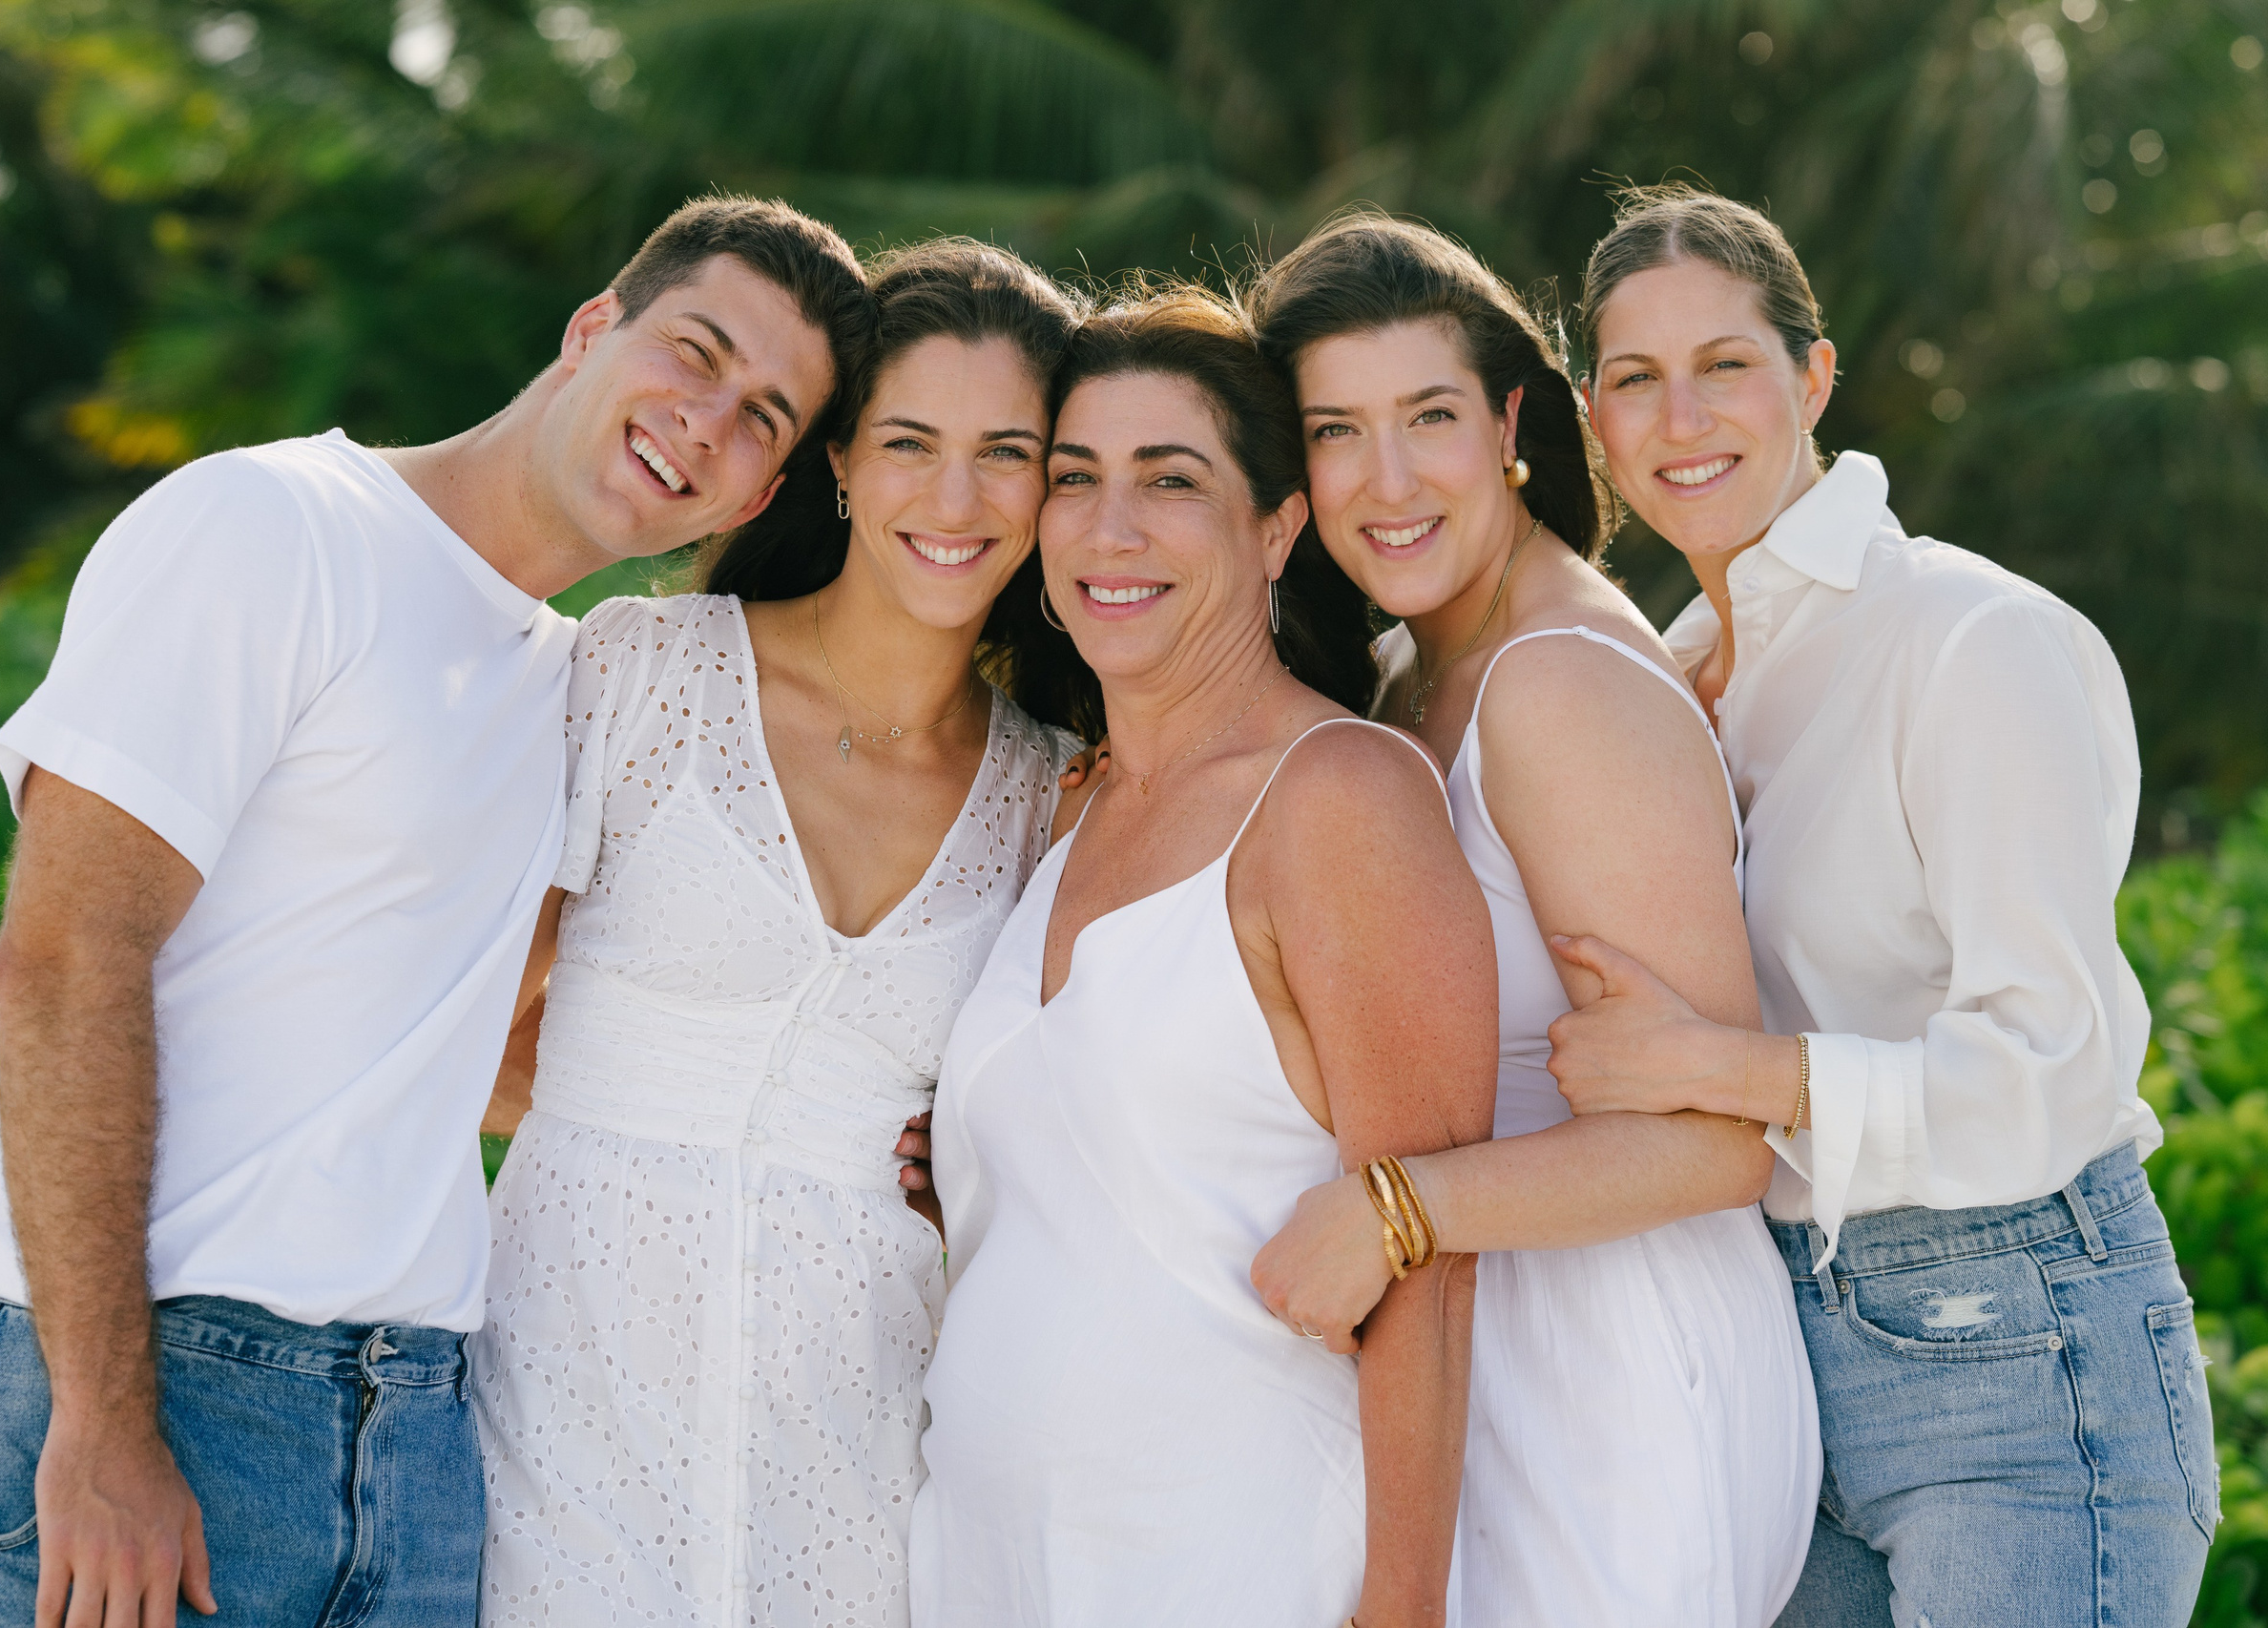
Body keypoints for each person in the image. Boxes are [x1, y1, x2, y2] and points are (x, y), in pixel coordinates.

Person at [0, 197, 872, 1628]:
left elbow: (497, 1059)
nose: (709, 421)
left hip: (417, 1437)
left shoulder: (580, 685)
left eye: (765, 416)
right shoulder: (276, 527)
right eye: (695, 352)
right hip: (141, 1384)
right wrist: (99, 1425)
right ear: (594, 328)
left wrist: (884, 1142)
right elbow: (65, 954)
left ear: (756, 495)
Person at [1547, 185, 2213, 1625]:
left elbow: (2055, 1068)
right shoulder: (1657, 676)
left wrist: (1712, 1073)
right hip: (1767, 1358)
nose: (1682, 419)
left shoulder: (1970, 639)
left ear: (1815, 376)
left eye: (1725, 364)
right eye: (1634, 381)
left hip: (2015, 1352)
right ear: (1592, 419)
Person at [468, 238, 1089, 1627]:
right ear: (842, 463)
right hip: (558, 1427)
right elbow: (460, 1040)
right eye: (911, 442)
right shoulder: (641, 673)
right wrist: (617, 1124)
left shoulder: (1052, 789)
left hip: (854, 1461)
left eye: (1009, 453)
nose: (953, 496)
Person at [1243, 214, 1819, 1624]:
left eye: (1428, 416)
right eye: (1336, 430)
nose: (1387, 480)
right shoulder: (1397, 668)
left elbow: (1720, 1143)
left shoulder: (1558, 681)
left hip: (1612, 1368)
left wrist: (1400, 1212)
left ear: (1509, 420)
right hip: (1473, 1340)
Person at [909, 283, 1499, 1628]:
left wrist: (1403, 1606)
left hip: (1233, 1547)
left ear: (1277, 524)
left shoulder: (1338, 794)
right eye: (1075, 477)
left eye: (1169, 480)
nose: (1109, 526)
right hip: (989, 1555)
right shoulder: (1066, 801)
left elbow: (1431, 1249)